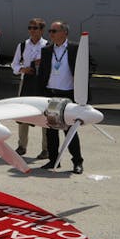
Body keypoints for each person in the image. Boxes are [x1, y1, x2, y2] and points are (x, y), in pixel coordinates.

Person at [37, 21, 90, 174]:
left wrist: (81, 80)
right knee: (51, 130)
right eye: (50, 31)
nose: (51, 34)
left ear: (64, 32)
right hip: (51, 94)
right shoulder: (47, 50)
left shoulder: (75, 48)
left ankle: (77, 162)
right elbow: (42, 73)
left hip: (68, 95)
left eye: (54, 31)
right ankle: (54, 160)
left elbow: (91, 64)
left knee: (70, 130)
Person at [10, 17, 48, 158]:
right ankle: (22, 146)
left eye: (35, 28)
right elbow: (14, 64)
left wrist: (42, 63)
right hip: (26, 81)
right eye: (30, 28)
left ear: (42, 30)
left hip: (42, 83)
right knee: (23, 114)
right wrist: (22, 69)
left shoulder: (48, 45)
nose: (32, 31)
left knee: (45, 115)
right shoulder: (22, 45)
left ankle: (46, 149)